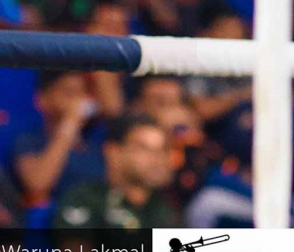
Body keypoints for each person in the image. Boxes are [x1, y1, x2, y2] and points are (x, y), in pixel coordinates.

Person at [53, 113, 176, 230]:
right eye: (143, 149)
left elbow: (178, 246)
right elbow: (75, 245)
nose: (157, 159)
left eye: (161, 150)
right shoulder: (85, 199)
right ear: (113, 152)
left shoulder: (165, 208)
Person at [13, 71, 105, 205]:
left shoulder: (98, 139)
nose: (78, 101)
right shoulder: (29, 141)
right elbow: (37, 184)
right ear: (42, 99)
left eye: (82, 93)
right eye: (69, 93)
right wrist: (70, 124)